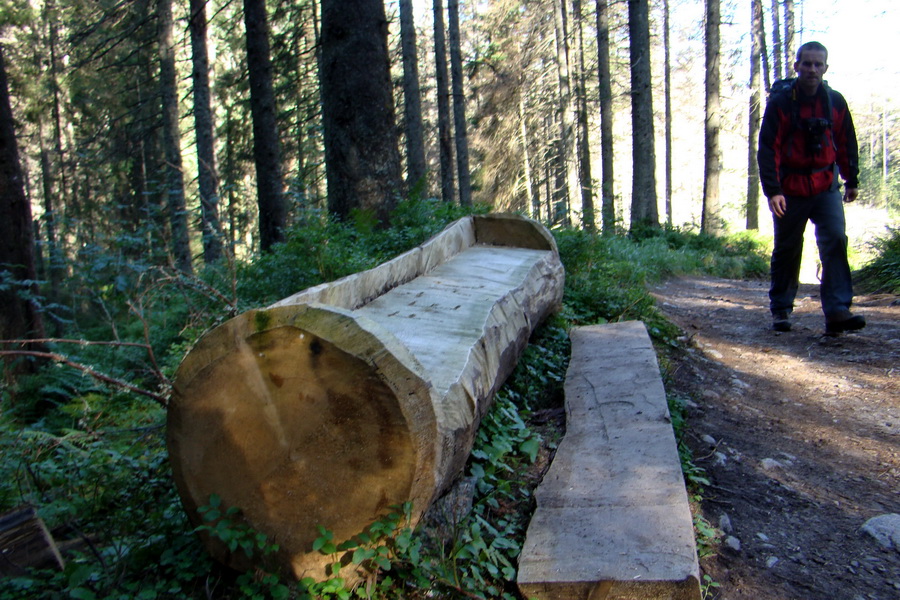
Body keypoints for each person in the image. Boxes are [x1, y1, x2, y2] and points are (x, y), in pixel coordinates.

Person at [757, 41, 865, 335]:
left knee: (835, 241)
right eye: (807, 64)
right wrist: (773, 190)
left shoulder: (835, 102)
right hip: (789, 190)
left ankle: (838, 312)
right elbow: (768, 148)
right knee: (788, 248)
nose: (812, 70)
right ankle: (781, 308)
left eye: (818, 65)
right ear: (797, 66)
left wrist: (851, 179)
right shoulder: (781, 103)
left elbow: (846, 142)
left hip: (825, 186)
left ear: (825, 68)